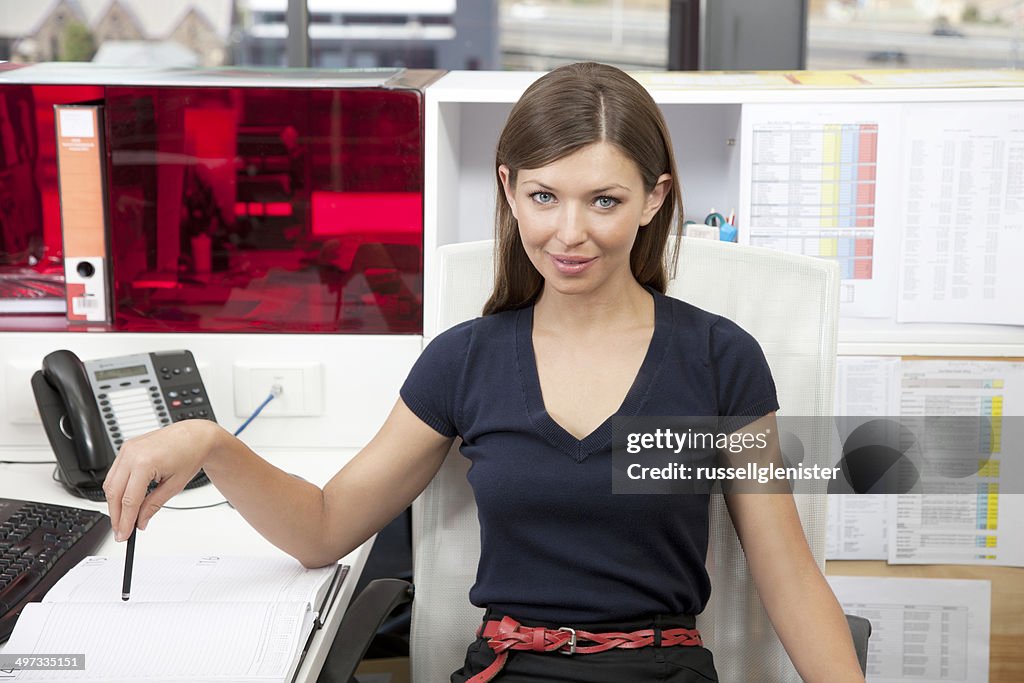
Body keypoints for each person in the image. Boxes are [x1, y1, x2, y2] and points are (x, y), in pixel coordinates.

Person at [104, 62, 866, 682]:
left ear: (652, 200)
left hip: (657, 671)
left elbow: (788, 577)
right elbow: (324, 528)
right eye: (544, 196)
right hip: (510, 669)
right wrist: (210, 442)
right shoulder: (464, 359)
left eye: (604, 200)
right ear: (508, 190)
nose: (570, 232)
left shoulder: (718, 359)